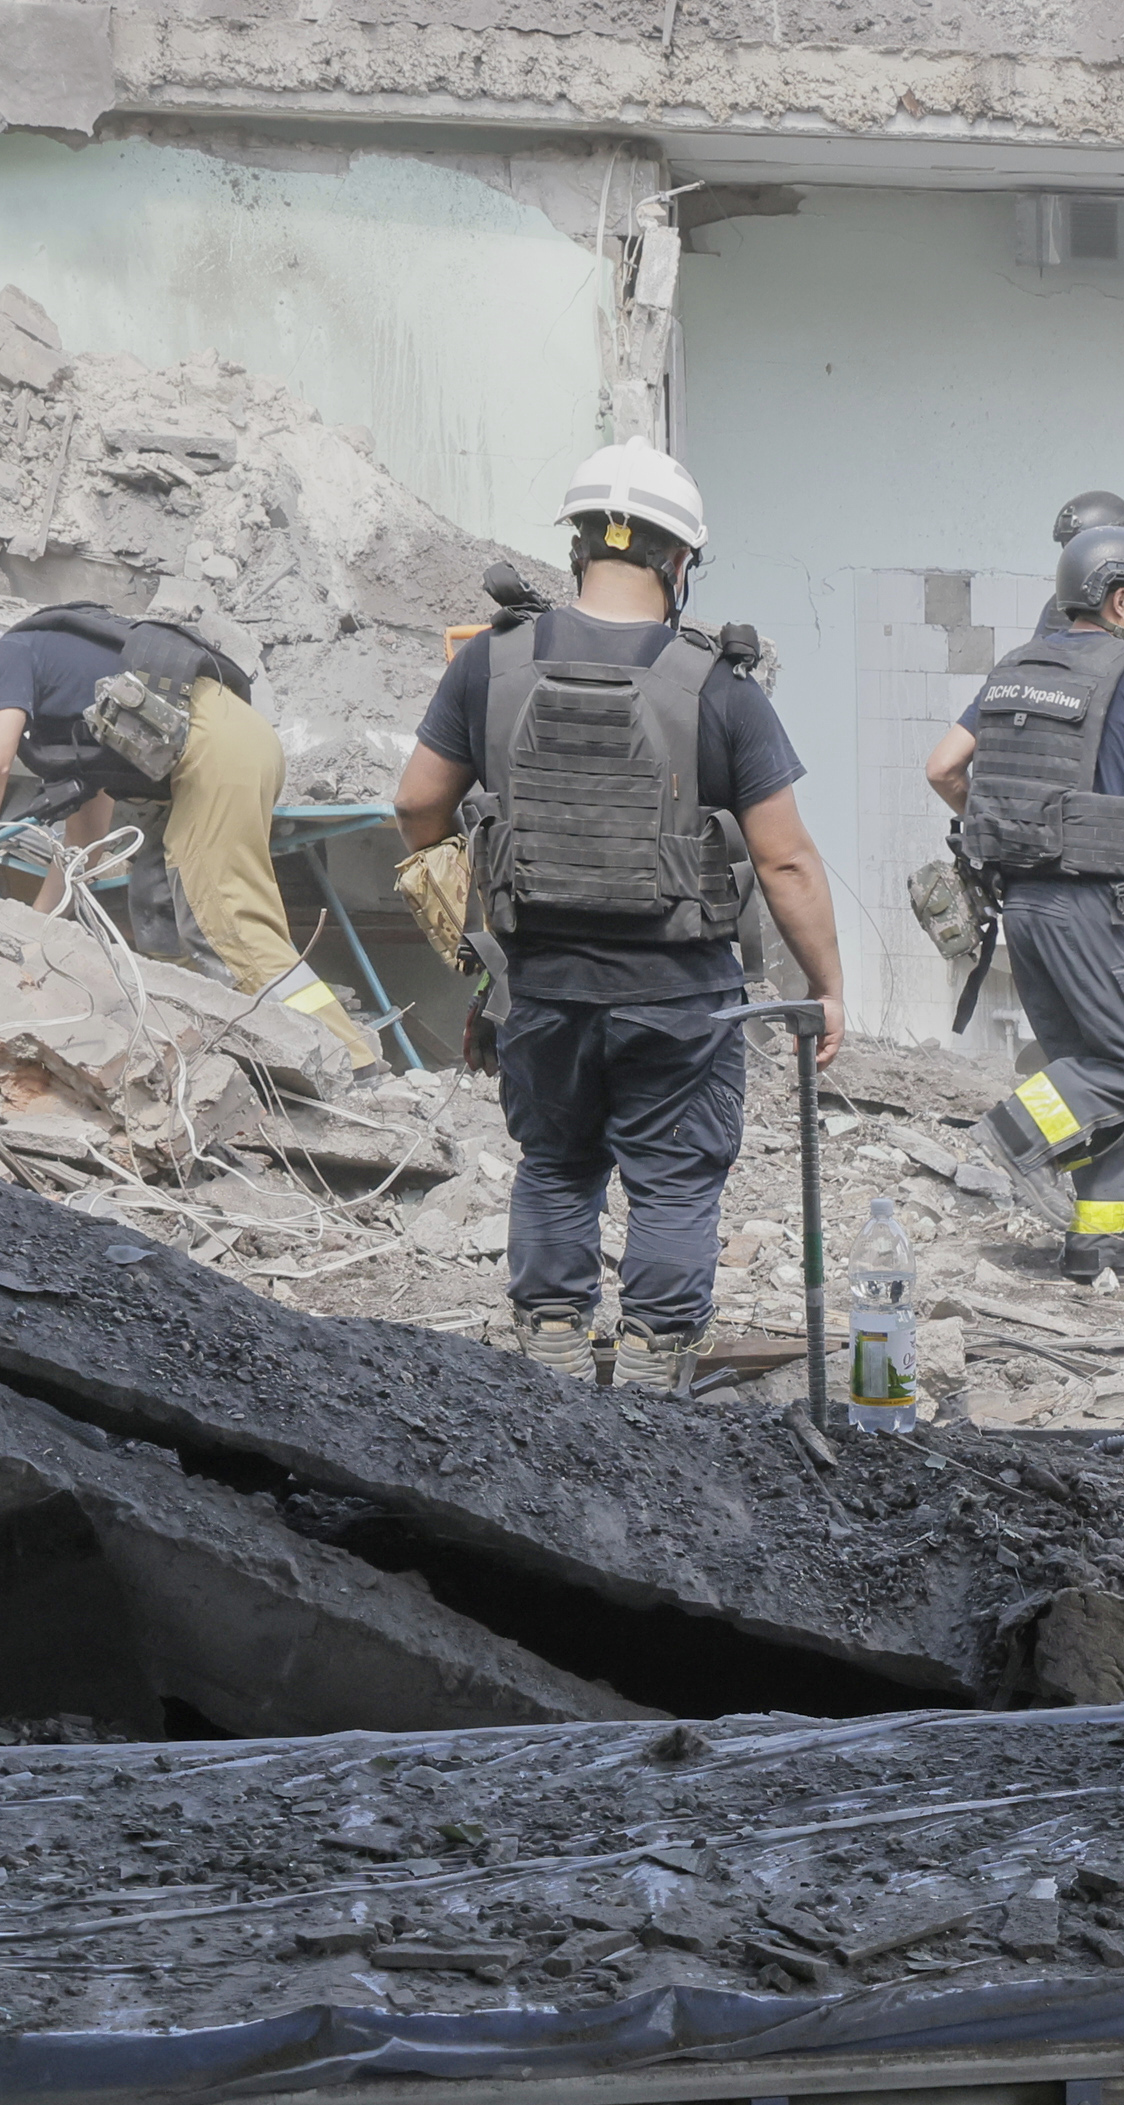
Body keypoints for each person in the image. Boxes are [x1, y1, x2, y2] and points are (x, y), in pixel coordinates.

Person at [386, 440, 842, 1393]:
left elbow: (417, 804)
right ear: (680, 561)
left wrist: (471, 916)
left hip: (540, 981)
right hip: (679, 996)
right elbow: (786, 858)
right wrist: (826, 984)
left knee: (555, 1163)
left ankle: (550, 1347)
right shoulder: (720, 686)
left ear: (580, 546)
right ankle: (651, 1361)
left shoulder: (490, 666)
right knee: (674, 1178)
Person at [929, 521, 1124, 1277]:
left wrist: (1002, 829)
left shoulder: (1011, 671)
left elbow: (942, 769)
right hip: (1101, 908)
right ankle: (1015, 1134)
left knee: (1096, 1076)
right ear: (1119, 600)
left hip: (1023, 912)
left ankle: (1114, 1242)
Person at [0, 609, 372, 1065]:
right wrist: (36, 931)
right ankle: (206, 1052)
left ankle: (347, 1057)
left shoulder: (8, 655)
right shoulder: (68, 700)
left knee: (224, 921)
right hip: (227, 745)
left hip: (216, 753)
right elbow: (84, 842)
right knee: (160, 917)